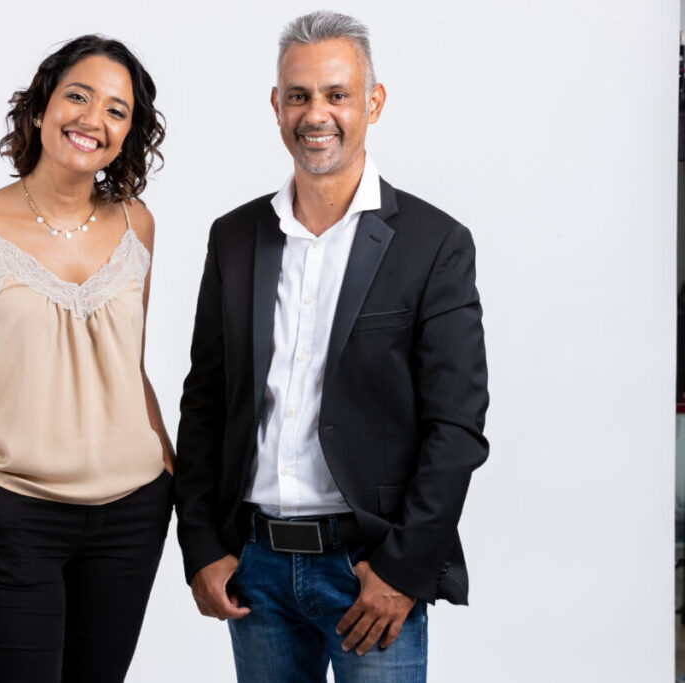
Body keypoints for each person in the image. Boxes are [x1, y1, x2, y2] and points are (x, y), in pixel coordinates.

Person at [174, 11, 488, 683]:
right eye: (299, 95)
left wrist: (403, 569)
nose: (316, 114)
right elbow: (204, 402)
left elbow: (457, 427)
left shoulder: (434, 243)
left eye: (337, 94)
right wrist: (200, 544)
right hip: (253, 569)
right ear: (276, 105)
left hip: (370, 569)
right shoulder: (234, 238)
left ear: (373, 101)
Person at [0, 35, 173, 683]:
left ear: (128, 135)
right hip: (9, 516)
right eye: (78, 96)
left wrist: (169, 469)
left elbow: (127, 364)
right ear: (42, 105)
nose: (92, 119)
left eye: (116, 110)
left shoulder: (137, 223)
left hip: (131, 518)